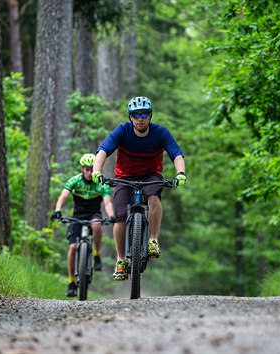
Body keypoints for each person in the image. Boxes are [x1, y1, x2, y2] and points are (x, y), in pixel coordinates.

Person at [91, 96, 186, 281]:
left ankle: (152, 240)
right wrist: (96, 171)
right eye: (136, 115)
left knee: (153, 198)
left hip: (151, 174)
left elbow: (176, 154)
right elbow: (103, 150)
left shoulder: (160, 132)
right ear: (130, 118)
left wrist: (180, 173)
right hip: (125, 177)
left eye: (144, 114)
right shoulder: (123, 131)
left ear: (150, 116)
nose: (140, 118)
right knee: (119, 218)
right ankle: (120, 260)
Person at [52, 153, 116, 297]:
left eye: (92, 169)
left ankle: (97, 254)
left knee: (97, 225)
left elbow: (107, 203)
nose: (89, 172)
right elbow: (63, 196)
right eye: (87, 169)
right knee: (73, 247)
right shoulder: (74, 181)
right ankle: (71, 282)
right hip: (78, 216)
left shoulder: (101, 183)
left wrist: (111, 215)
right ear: (82, 169)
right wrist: (57, 210)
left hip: (94, 214)